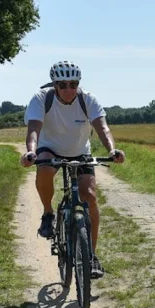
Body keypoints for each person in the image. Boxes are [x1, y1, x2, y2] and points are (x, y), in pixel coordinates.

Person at [20, 61, 126, 278]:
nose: (69, 89)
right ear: (55, 85)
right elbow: (33, 129)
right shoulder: (41, 99)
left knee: (90, 197)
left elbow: (102, 126)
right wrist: (31, 152)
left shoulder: (88, 99)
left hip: (80, 152)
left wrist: (113, 149)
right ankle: (48, 213)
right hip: (50, 148)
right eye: (64, 84)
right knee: (46, 167)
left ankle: (91, 256)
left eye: (73, 84)